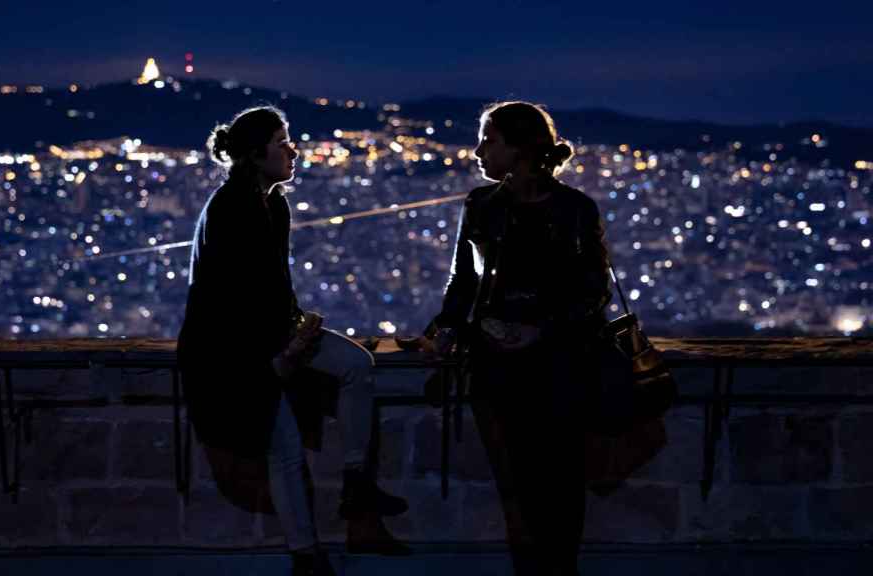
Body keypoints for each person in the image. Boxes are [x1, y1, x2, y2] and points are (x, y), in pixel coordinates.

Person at [176, 106, 408, 576]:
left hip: (273, 335)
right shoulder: (232, 208)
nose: (293, 150)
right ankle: (307, 554)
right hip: (235, 355)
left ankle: (355, 487)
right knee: (283, 447)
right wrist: (284, 354)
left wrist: (296, 326)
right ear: (255, 153)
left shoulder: (271, 202)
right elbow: (232, 301)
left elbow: (270, 285)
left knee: (357, 366)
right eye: (283, 142)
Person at [425, 101, 612, 576]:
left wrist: (539, 329)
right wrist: (448, 326)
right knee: (516, 487)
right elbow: (462, 281)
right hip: (498, 366)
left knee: (559, 485)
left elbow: (594, 291)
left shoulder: (574, 210)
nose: (478, 150)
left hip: (557, 366)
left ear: (520, 147)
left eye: (488, 139)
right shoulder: (482, 205)